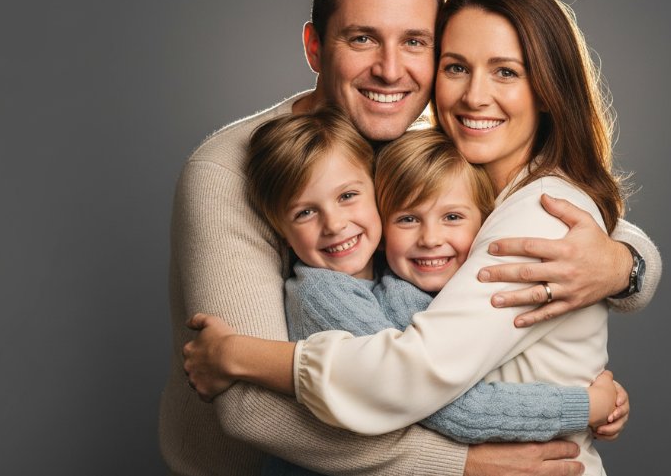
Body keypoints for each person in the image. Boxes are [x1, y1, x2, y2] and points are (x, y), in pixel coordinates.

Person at [161, 0, 661, 476]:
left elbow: (555, 215)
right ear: (314, 47)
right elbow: (250, 409)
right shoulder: (227, 171)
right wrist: (458, 465)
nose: (391, 69)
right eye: (362, 38)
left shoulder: (427, 139)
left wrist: (625, 266)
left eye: (415, 42)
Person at [236, 108, 622, 475]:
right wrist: (586, 404)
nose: (335, 225)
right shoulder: (327, 293)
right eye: (305, 212)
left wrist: (623, 262)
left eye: (347, 197)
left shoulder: (392, 274)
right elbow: (452, 407)